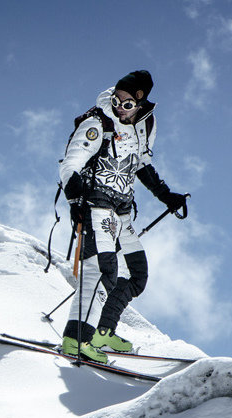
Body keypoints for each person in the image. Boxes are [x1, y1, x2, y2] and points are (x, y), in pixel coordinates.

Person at [58, 70, 188, 362]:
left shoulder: (146, 125)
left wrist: (166, 195)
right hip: (95, 206)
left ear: (141, 104)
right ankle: (76, 340)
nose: (120, 107)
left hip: (123, 214)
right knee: (101, 270)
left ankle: (103, 332)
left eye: (128, 104)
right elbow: (69, 166)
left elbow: (141, 164)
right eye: (117, 100)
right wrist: (76, 200)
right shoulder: (97, 122)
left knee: (136, 275)